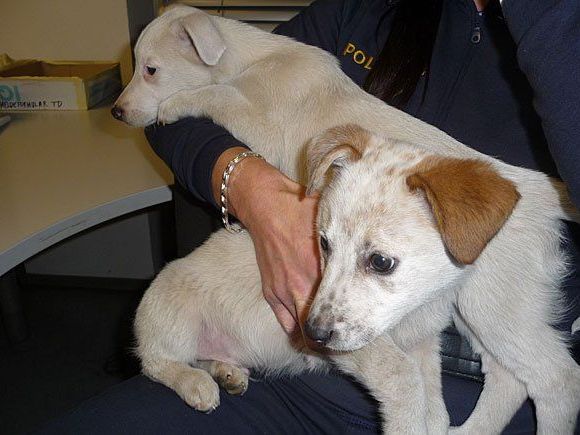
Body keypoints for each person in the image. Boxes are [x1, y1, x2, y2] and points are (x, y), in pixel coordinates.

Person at [39, 0, 580, 433]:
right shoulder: (363, 12)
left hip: (468, 376)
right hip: (274, 361)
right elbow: (171, 108)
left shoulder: (558, 35)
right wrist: (254, 189)